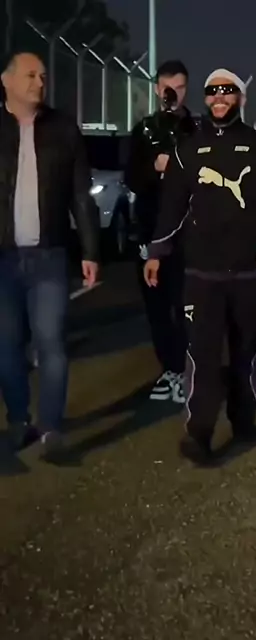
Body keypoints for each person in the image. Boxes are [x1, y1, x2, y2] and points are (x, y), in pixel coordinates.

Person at [144, 68, 256, 464]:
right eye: (212, 91)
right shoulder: (187, 150)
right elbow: (172, 208)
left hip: (251, 271)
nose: (219, 97)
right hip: (202, 273)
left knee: (248, 352)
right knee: (202, 354)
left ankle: (244, 419)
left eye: (228, 91)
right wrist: (157, 252)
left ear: (241, 99)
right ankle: (199, 433)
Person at [0, 52, 99, 457]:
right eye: (30, 75)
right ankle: (18, 420)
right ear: (6, 81)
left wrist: (90, 250)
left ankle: (51, 428)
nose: (39, 82)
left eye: (42, 75)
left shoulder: (63, 128)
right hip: (3, 259)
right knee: (6, 345)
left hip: (50, 256)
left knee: (50, 342)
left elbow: (80, 194)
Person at [125, 60, 197, 403]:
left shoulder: (198, 129)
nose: (173, 94)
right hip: (151, 232)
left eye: (180, 87)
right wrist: (154, 168)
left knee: (185, 306)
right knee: (156, 308)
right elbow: (131, 178)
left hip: (188, 233)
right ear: (157, 89)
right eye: (168, 87)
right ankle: (170, 368)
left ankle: (186, 370)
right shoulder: (143, 131)